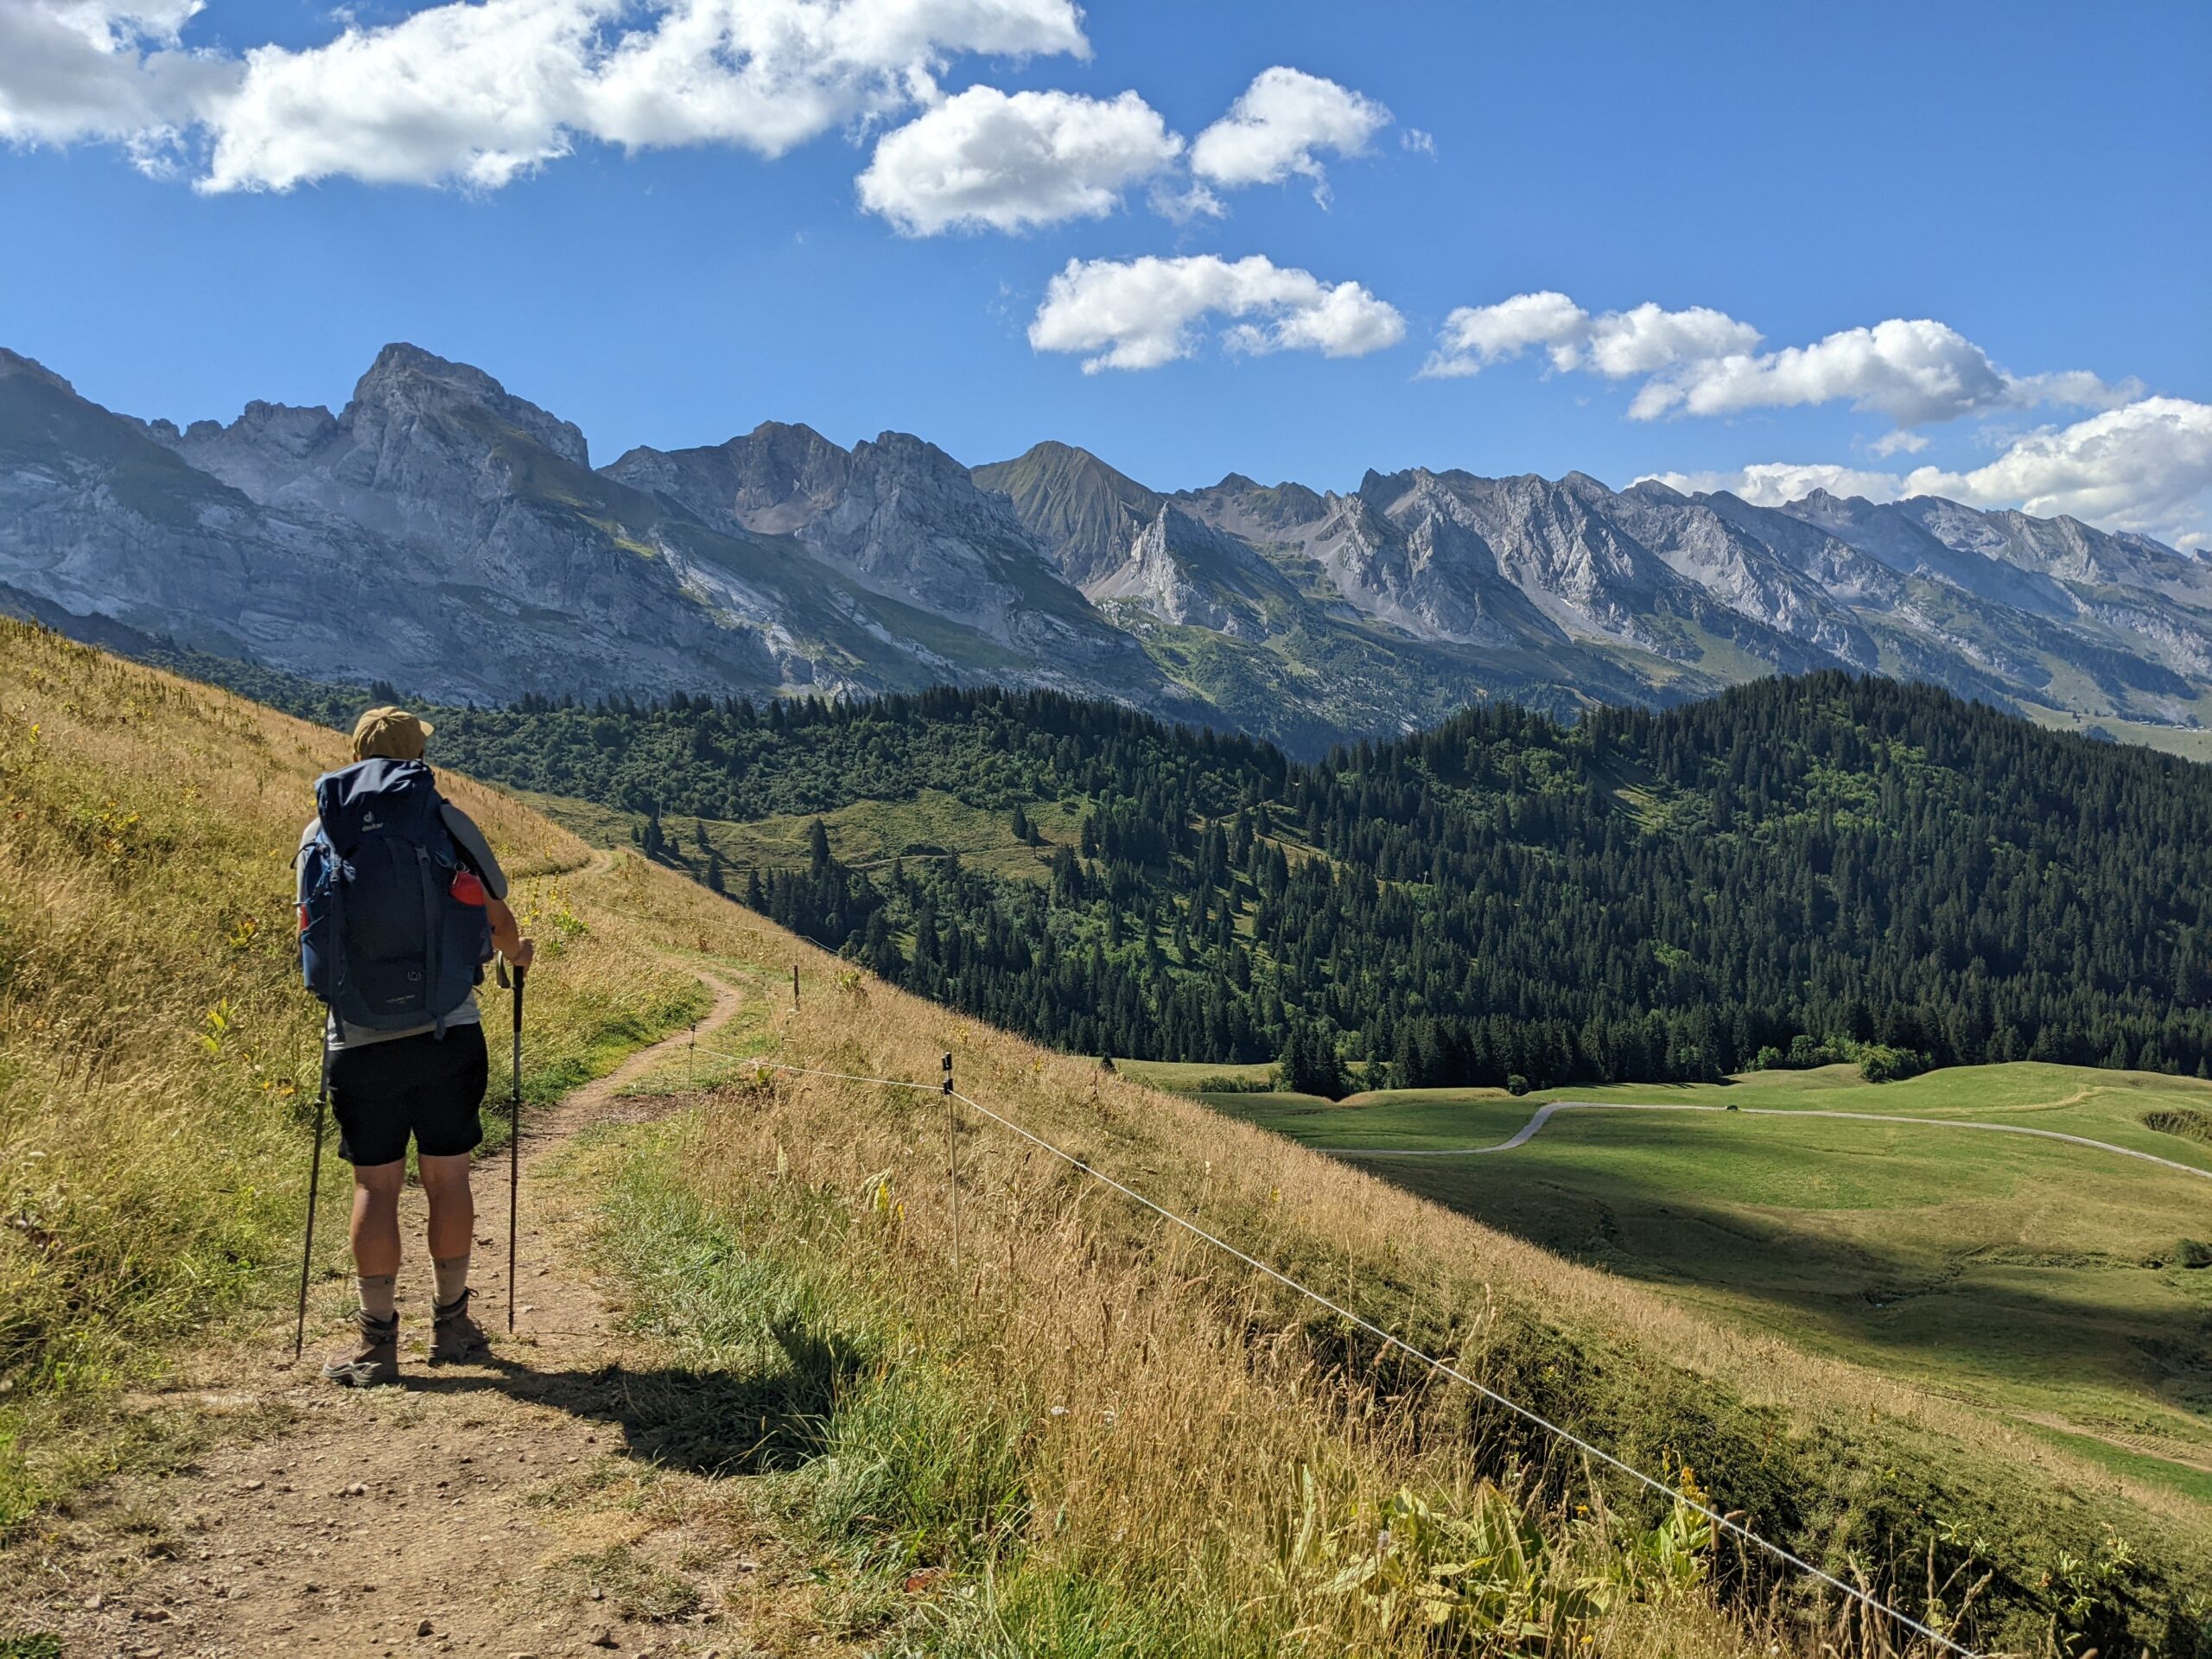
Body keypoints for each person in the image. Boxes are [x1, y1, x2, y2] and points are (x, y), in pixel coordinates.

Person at [300, 707, 535, 1387]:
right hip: (446, 1029)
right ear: (417, 758)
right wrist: (517, 953)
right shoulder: (446, 820)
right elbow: (496, 916)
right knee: (448, 1177)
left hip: (358, 1037)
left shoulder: (322, 830)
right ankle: (452, 1324)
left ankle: (377, 1343)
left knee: (375, 1185)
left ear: (356, 754)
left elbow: (310, 932)